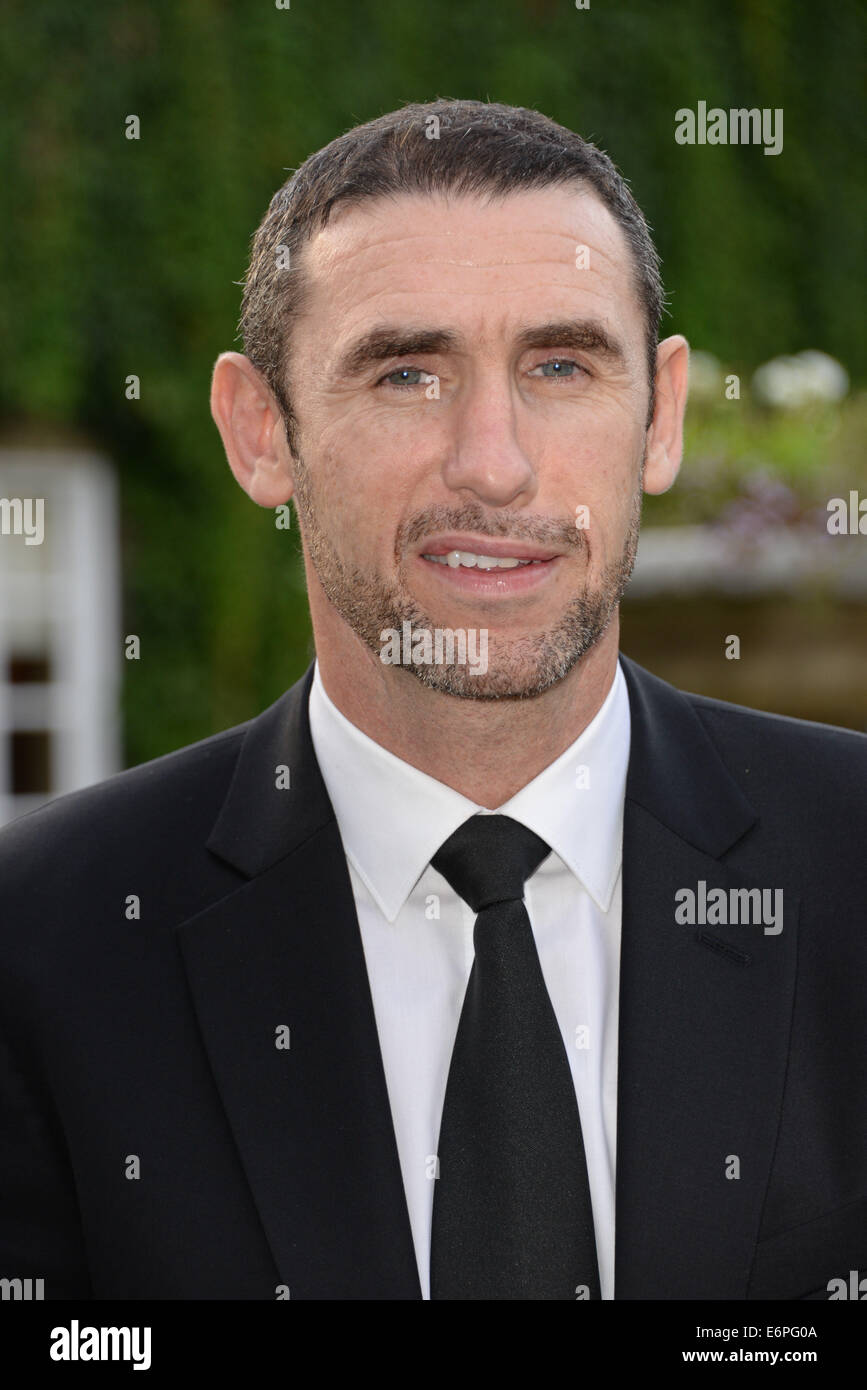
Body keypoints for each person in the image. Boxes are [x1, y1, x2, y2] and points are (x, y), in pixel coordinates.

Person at [1, 99, 864, 1302]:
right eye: (407, 373)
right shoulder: (45, 943)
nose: (493, 462)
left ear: (661, 416)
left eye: (561, 365)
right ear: (262, 433)